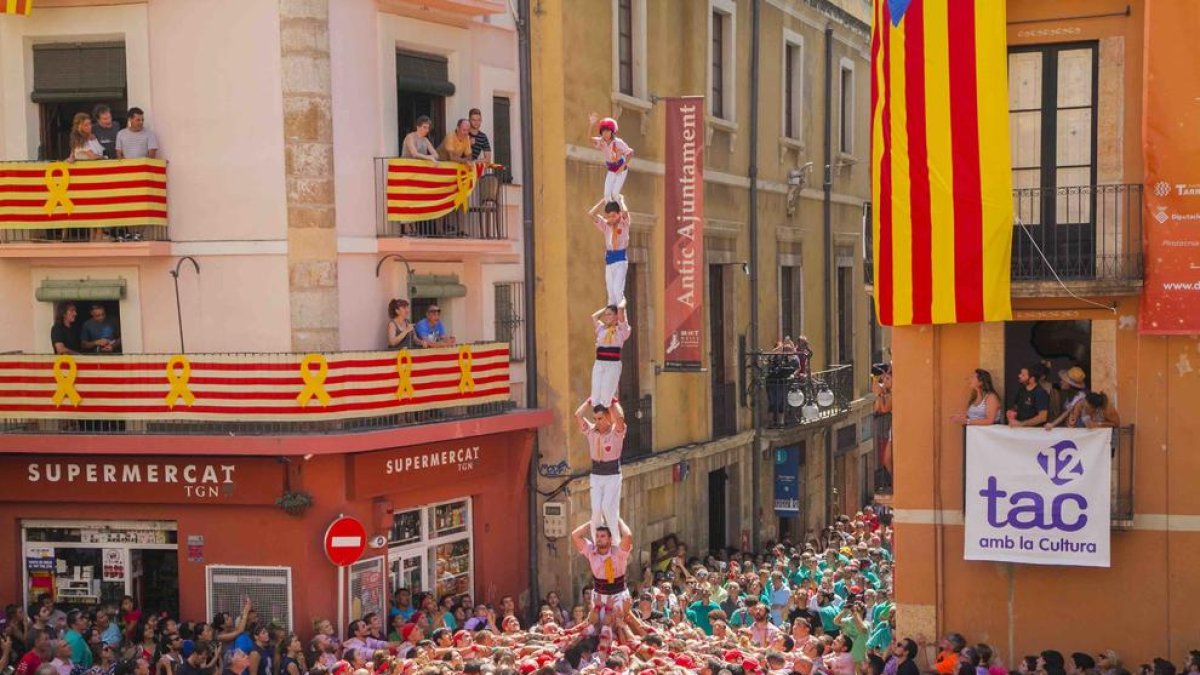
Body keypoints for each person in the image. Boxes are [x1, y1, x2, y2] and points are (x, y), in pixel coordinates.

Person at [575, 397, 626, 544]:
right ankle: (597, 542)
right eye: (595, 419)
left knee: (608, 509)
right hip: (596, 474)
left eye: (601, 418)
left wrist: (613, 402)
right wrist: (589, 401)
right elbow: (578, 415)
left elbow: (620, 418)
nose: (598, 422)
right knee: (596, 509)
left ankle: (615, 543)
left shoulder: (616, 432)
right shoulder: (591, 431)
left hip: (612, 475)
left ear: (608, 417)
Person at [570, 519, 633, 624]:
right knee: (597, 627)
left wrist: (618, 519)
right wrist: (594, 519)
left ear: (610, 539)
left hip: (618, 594)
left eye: (603, 536)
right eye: (597, 536)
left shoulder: (618, 552)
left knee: (620, 625)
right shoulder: (591, 551)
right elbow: (575, 535)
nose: (599, 539)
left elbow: (628, 536)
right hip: (599, 595)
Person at [588, 197, 631, 307]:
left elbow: (625, 212)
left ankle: (622, 313)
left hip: (620, 259)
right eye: (608, 216)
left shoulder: (624, 223)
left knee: (617, 290)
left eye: (613, 216)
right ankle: (613, 320)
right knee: (611, 294)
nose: (611, 219)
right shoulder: (606, 225)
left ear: (619, 214)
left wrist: (621, 200)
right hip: (609, 260)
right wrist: (603, 201)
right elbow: (591, 214)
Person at [589, 301, 630, 409]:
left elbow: (620, 310)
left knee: (606, 397)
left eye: (609, 314)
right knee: (595, 397)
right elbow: (594, 316)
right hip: (599, 363)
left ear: (616, 316)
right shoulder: (602, 329)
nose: (606, 316)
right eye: (606, 314)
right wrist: (607, 306)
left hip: (612, 364)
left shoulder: (622, 330)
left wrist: (621, 301)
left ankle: (612, 420)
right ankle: (600, 420)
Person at [587, 114, 633, 203]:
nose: (605, 133)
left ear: (612, 131)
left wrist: (623, 166)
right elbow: (589, 139)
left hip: (621, 168)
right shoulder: (601, 142)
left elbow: (630, 152)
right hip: (611, 169)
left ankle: (621, 212)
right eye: (603, 131)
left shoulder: (619, 142)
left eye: (607, 131)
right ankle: (611, 214)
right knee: (607, 195)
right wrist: (591, 124)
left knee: (615, 194)